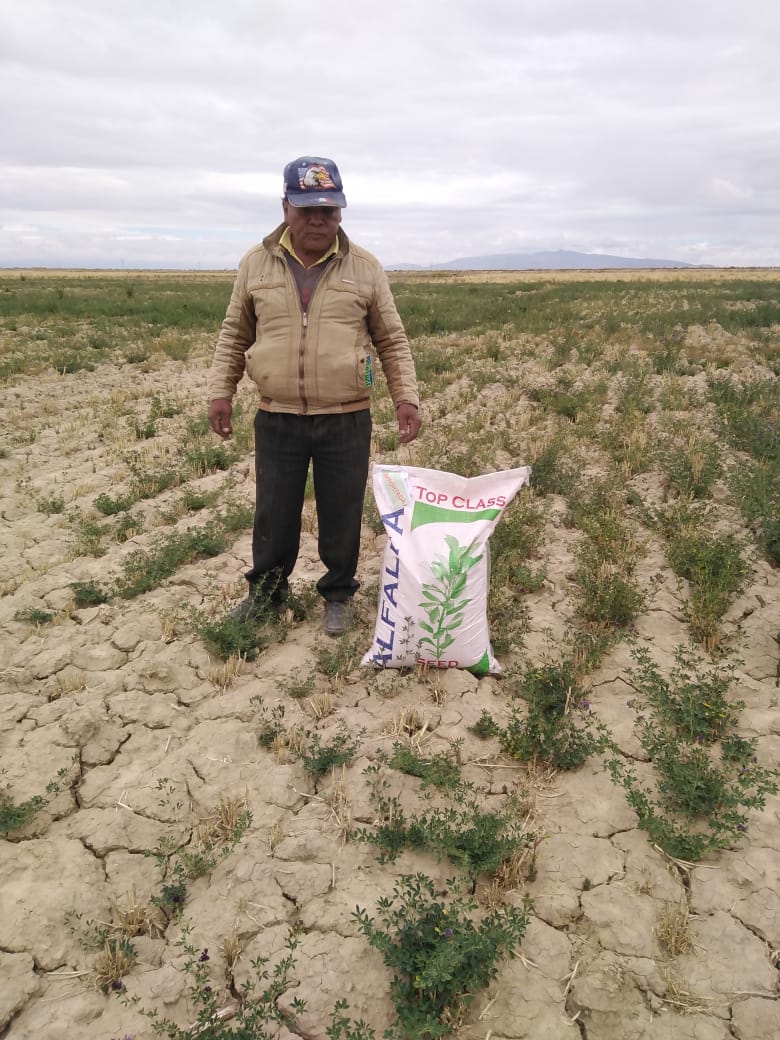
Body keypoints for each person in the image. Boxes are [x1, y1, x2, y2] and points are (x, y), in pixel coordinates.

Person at [207, 156, 421, 636]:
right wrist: (221, 391)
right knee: (273, 513)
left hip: (346, 416)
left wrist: (405, 397)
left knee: (341, 511)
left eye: (329, 210)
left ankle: (338, 594)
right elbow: (234, 334)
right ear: (286, 207)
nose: (318, 220)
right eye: (307, 210)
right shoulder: (256, 263)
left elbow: (391, 340)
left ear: (340, 211)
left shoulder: (364, 268)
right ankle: (267, 594)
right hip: (278, 414)